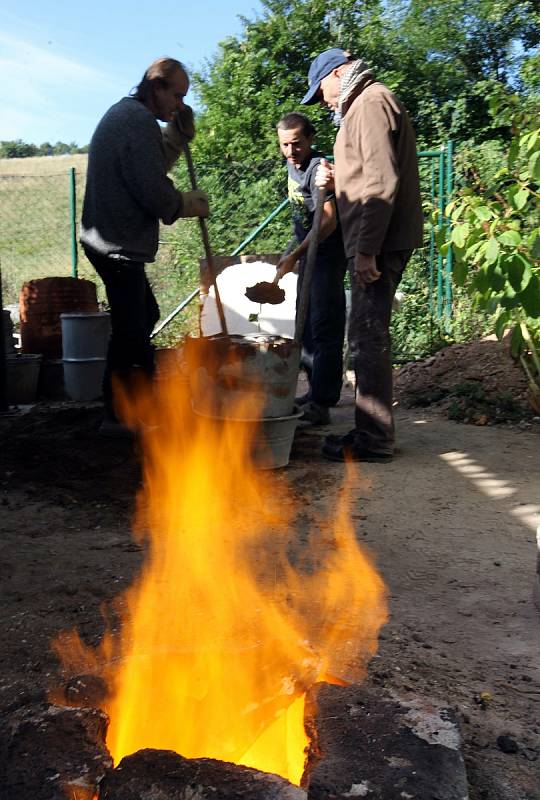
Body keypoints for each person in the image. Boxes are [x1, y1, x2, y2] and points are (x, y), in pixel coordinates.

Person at [300, 48, 423, 461]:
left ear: (338, 74)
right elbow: (366, 169)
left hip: (378, 242)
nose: (323, 101)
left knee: (367, 338)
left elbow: (380, 181)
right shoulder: (362, 105)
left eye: (322, 92)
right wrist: (337, 174)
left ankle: (373, 441)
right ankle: (370, 433)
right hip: (375, 238)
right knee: (365, 335)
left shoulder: (369, 102)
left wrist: (367, 249)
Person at [80, 57, 209, 437]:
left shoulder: (130, 117)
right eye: (177, 95)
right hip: (116, 244)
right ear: (157, 88)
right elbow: (152, 190)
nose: (180, 105)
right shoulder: (135, 121)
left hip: (111, 241)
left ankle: (119, 410)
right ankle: (125, 415)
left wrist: (174, 137)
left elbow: (148, 168)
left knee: (140, 318)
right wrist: (184, 203)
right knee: (133, 329)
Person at [275, 112, 346, 426]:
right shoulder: (293, 165)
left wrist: (297, 255)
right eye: (285, 145)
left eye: (297, 144)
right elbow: (302, 221)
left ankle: (323, 403)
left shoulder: (319, 168)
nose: (291, 152)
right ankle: (314, 393)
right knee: (303, 327)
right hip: (309, 254)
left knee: (324, 327)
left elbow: (328, 220)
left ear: (310, 139)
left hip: (328, 256)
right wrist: (290, 253)